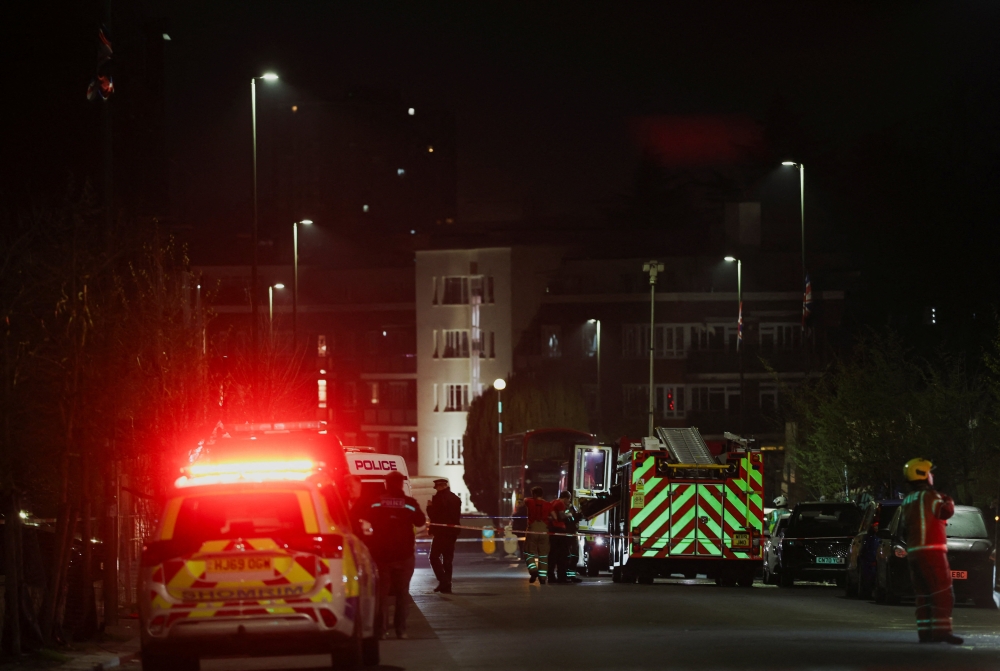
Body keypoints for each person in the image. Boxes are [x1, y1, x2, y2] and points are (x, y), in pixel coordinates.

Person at [900, 458, 962, 645]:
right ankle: (942, 632)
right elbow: (945, 511)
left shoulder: (908, 500)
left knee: (924, 594)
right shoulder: (931, 496)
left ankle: (926, 633)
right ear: (922, 474)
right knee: (942, 592)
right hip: (932, 552)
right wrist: (948, 499)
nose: (932, 476)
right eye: (930, 472)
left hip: (914, 553)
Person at [357, 471, 426, 639]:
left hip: (381, 555)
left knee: (382, 594)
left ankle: (381, 630)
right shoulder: (409, 503)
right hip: (404, 555)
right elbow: (420, 521)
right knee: (402, 594)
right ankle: (401, 630)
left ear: (386, 484)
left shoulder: (377, 503)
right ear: (401, 484)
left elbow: (365, 517)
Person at [426, 477, 462, 594]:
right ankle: (447, 587)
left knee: (434, 557)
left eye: (437, 487)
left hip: (441, 532)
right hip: (452, 533)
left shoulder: (439, 498)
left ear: (441, 486)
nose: (436, 490)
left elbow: (435, 516)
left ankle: (443, 581)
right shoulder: (455, 498)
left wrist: (429, 507)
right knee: (447, 559)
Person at [523, 487, 552, 584]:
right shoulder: (548, 504)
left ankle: (533, 570)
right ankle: (543, 578)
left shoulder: (530, 502)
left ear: (534, 495)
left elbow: (525, 499)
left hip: (532, 530)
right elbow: (553, 516)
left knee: (528, 552)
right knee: (543, 555)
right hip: (544, 530)